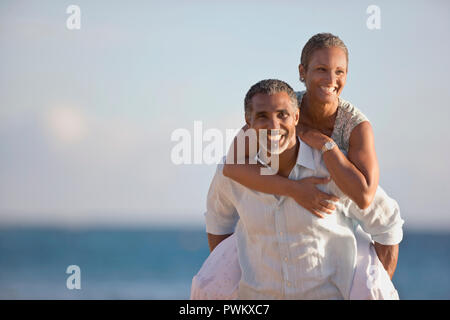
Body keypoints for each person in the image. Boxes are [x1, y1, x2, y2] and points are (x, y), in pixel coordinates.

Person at [193, 79, 404, 299]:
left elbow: (387, 224)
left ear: (296, 117)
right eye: (262, 116)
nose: (273, 126)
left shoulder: (331, 172)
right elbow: (219, 222)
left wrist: (374, 286)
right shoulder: (233, 175)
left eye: (282, 114)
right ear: (249, 121)